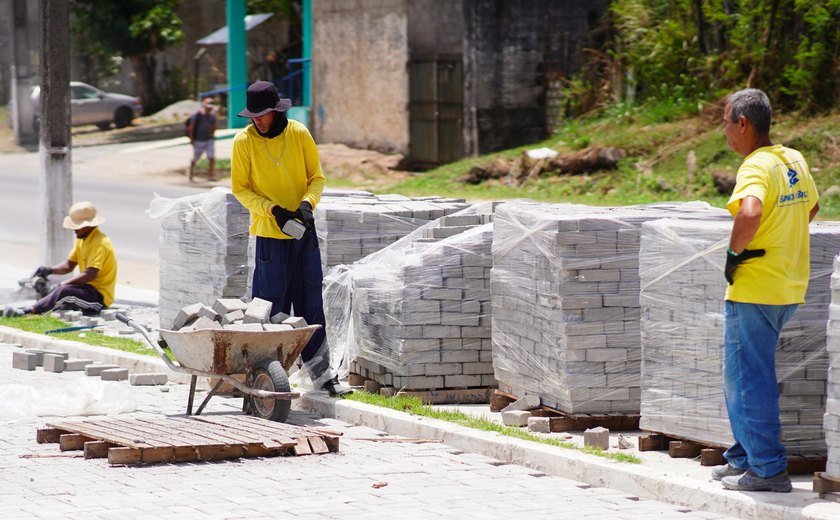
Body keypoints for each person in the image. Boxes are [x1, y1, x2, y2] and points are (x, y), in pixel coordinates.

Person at [710, 88, 820, 492]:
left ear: (743, 123)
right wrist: (784, 239)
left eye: (725, 123)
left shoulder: (755, 166)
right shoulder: (792, 159)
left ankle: (768, 469)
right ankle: (744, 455)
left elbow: (751, 211)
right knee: (744, 375)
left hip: (755, 287)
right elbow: (810, 208)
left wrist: (734, 253)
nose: (724, 132)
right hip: (789, 284)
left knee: (747, 378)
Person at [230, 80, 352, 396]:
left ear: (276, 111)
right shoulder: (243, 142)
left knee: (311, 304)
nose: (257, 120)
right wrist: (272, 210)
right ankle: (264, 377)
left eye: (263, 114)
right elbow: (240, 189)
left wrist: (306, 205)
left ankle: (323, 377)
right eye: (253, 115)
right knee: (271, 308)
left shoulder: (298, 133)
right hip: (270, 235)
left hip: (303, 234)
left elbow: (317, 178)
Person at [3, 201, 117, 318]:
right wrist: (48, 270)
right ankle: (43, 304)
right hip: (86, 289)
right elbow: (68, 265)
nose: (74, 229)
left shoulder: (100, 242)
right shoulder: (83, 239)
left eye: (77, 226)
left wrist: (60, 286)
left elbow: (90, 274)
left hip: (98, 297)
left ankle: (27, 311)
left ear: (89, 225)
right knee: (57, 287)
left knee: (63, 291)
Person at [187, 97, 217, 182]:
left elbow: (213, 126)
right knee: (195, 158)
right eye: (208, 107)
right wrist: (192, 139)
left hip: (208, 140)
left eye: (210, 107)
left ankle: (210, 175)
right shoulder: (198, 115)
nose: (209, 109)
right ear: (204, 106)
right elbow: (191, 128)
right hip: (198, 140)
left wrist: (213, 135)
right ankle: (191, 173)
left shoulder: (212, 116)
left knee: (211, 157)